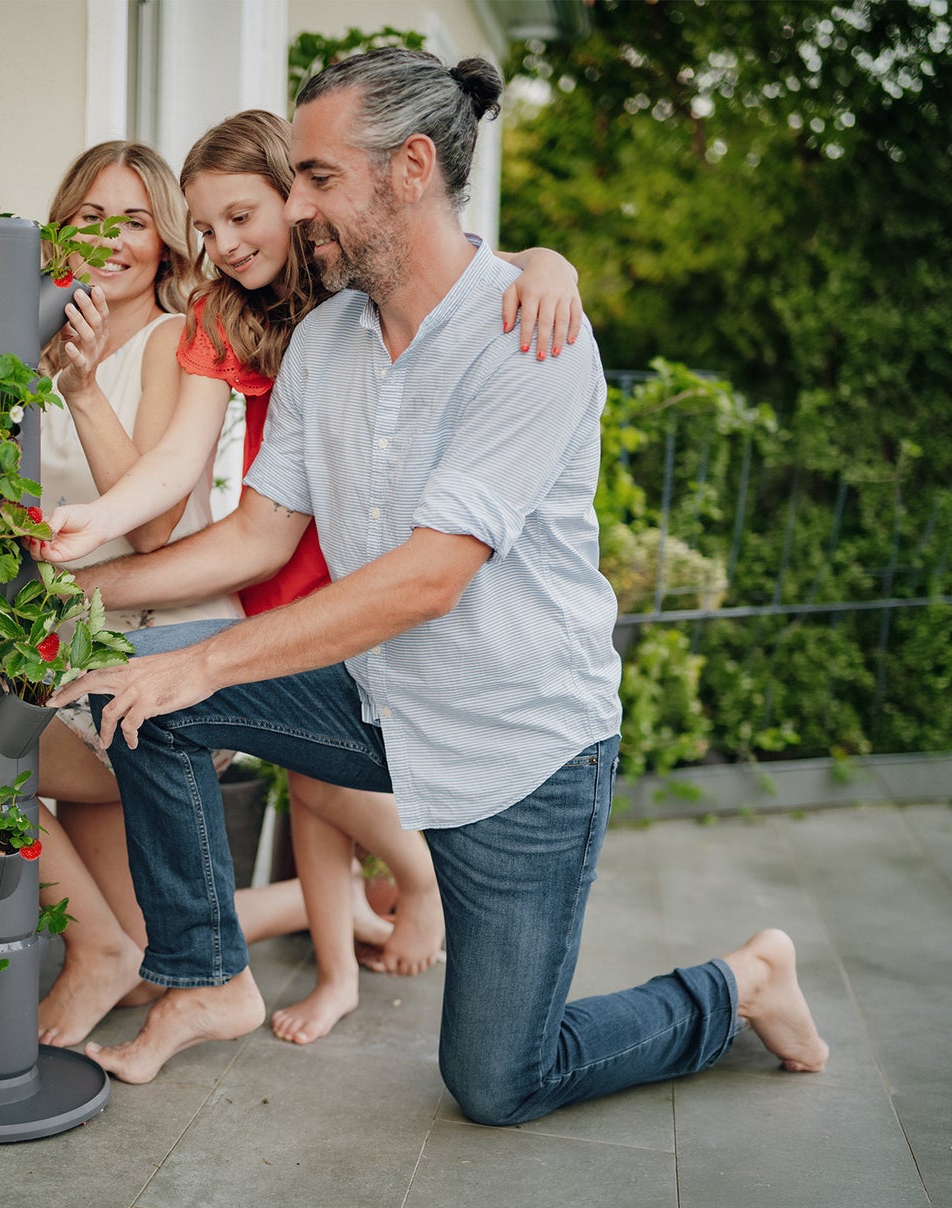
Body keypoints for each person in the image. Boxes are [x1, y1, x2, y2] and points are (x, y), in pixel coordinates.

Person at [48, 49, 828, 1122]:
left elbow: (423, 580)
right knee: (132, 689)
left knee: (501, 1081)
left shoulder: (530, 335)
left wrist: (204, 658)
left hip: (520, 745)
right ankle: (203, 974)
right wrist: (96, 582)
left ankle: (740, 983)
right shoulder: (324, 338)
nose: (296, 202)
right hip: (373, 699)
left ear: (409, 168)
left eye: (317, 178)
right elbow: (259, 536)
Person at [35, 109, 586, 1044]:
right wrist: (99, 539)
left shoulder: (366, 285)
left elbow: (453, 268)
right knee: (264, 756)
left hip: (410, 598)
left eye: (247, 214)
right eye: (206, 229)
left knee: (334, 790)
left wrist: (546, 261)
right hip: (286, 556)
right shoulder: (238, 316)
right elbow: (190, 483)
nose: (225, 243)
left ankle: (408, 887)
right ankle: (272, 971)